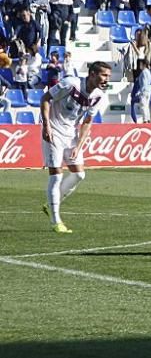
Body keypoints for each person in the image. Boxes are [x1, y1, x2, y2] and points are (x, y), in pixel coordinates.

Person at [40, 61, 112, 233]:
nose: (106, 79)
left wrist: (79, 146)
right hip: (54, 131)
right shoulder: (71, 84)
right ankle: (55, 221)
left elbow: (87, 121)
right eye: (103, 75)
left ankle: (50, 204)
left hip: (71, 136)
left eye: (108, 76)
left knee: (79, 174)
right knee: (56, 176)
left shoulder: (99, 96)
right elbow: (45, 99)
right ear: (92, 74)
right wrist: (46, 125)